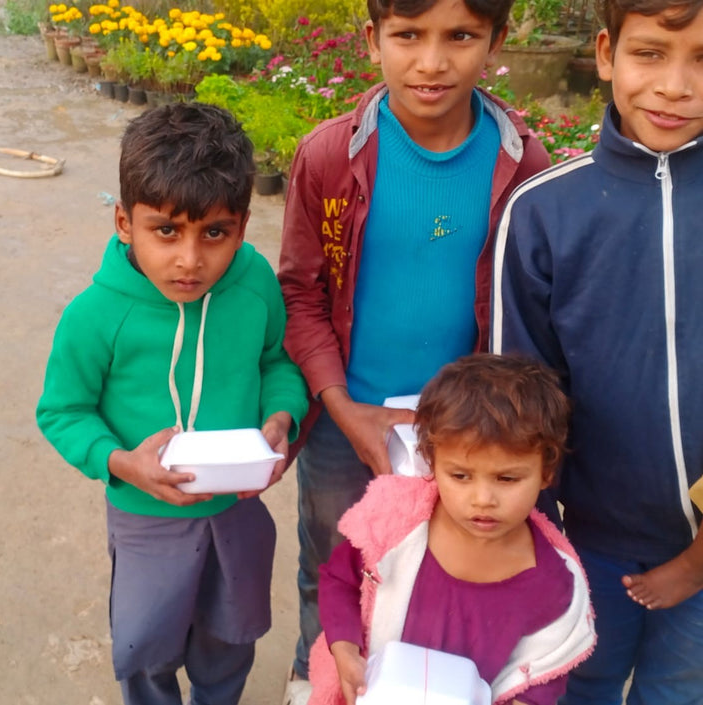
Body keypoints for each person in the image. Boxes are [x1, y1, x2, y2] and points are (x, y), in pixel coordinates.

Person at [276, 0, 552, 699]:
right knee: (336, 556)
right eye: (408, 36)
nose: (432, 62)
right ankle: (316, 673)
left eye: (460, 37)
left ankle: (414, 678)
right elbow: (301, 293)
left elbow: (525, 300)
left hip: (469, 428)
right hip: (347, 419)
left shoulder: (523, 161)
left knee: (439, 560)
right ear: (373, 39)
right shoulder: (329, 156)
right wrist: (342, 406)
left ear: (497, 39)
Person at [36, 102, 309, 705]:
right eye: (167, 230)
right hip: (145, 517)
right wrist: (119, 461)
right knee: (145, 646)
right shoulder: (95, 315)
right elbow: (62, 412)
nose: (191, 259)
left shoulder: (254, 284)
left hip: (237, 513)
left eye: (216, 232)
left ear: (242, 225)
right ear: (123, 223)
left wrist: (282, 415)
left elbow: (276, 363)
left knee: (231, 636)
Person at [492, 0, 703, 701]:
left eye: (702, 60)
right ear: (608, 53)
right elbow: (521, 396)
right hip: (587, 542)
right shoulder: (545, 212)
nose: (676, 85)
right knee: (579, 685)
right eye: (651, 54)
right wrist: (528, 529)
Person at [308, 354, 595, 705]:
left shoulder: (555, 586)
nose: (483, 499)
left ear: (546, 472)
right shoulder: (392, 529)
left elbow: (544, 671)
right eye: (460, 476)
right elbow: (340, 580)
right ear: (432, 463)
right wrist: (345, 650)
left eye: (507, 478)